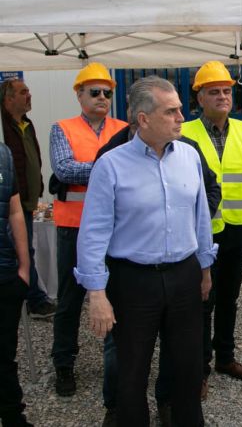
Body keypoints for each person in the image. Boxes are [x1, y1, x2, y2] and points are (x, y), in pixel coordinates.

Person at [74, 76, 216, 427]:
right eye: (171, 112)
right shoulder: (111, 164)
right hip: (133, 281)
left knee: (188, 367)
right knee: (132, 370)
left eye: (180, 109)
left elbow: (200, 217)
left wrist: (204, 269)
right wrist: (97, 293)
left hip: (184, 274)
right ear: (143, 119)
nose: (181, 117)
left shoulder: (189, 156)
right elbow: (93, 232)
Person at [49, 63, 128, 396]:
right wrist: (111, 166)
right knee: (70, 300)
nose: (102, 98)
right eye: (94, 92)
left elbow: (133, 169)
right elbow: (64, 170)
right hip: (73, 226)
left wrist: (95, 168)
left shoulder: (124, 128)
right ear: (79, 95)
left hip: (116, 229)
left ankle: (119, 362)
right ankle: (64, 363)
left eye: (107, 92)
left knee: (117, 298)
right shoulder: (62, 129)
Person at [181, 61, 242, 394]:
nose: (223, 97)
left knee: (229, 297)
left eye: (227, 91)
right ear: (200, 98)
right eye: (214, 92)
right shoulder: (184, 133)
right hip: (201, 231)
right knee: (202, 300)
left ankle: (225, 357)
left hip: (238, 227)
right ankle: (199, 368)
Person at [0, 78, 56, 319]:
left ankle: (31, 297)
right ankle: (34, 299)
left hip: (27, 199)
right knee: (22, 250)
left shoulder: (26, 124)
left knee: (25, 248)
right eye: (23, 92)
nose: (29, 95)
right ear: (8, 99)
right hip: (14, 201)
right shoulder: (4, 127)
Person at [0, 143, 33, 427]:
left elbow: (14, 211)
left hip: (5, 274)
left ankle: (12, 416)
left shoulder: (3, 154)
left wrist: (24, 266)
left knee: (4, 355)